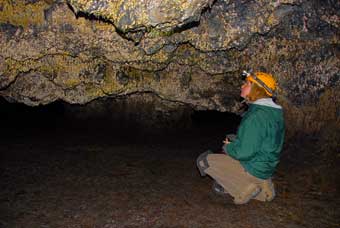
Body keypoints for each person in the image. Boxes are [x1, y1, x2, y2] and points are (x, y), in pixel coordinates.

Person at [197, 71, 285, 204]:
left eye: (246, 83)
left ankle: (247, 189)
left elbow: (245, 153)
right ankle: (263, 183)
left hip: (253, 166)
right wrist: (236, 141)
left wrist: (229, 147)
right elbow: (263, 140)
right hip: (265, 165)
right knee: (231, 138)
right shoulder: (273, 113)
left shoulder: (256, 116)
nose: (242, 86)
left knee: (204, 161)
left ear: (256, 88)